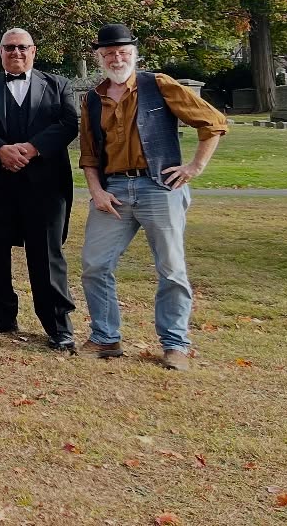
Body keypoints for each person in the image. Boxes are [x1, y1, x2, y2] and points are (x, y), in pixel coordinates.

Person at [78, 23, 228, 371]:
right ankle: (105, 337)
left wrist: (194, 167)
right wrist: (97, 190)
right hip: (113, 190)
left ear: (134, 54)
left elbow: (212, 122)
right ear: (100, 57)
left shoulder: (158, 84)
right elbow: (88, 154)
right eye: (110, 53)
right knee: (95, 264)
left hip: (159, 187)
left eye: (124, 52)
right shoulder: (92, 98)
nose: (118, 58)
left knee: (171, 268)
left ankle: (176, 344)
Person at [0, 29, 80, 352]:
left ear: (33, 51)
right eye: (9, 48)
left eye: (22, 47)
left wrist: (32, 148)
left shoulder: (59, 86)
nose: (16, 52)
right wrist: (0, 149)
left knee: (46, 255)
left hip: (44, 185)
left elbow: (69, 123)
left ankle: (59, 326)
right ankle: (0, 316)